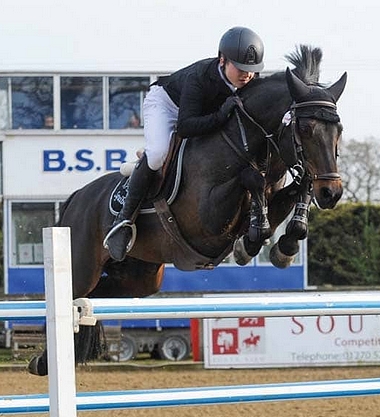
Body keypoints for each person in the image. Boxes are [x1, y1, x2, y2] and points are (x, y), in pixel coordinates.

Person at [104, 26, 264, 262]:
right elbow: (186, 126)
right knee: (159, 153)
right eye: (240, 69)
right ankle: (123, 221)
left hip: (201, 112)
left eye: (251, 70)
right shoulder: (199, 78)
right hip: (168, 106)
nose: (246, 76)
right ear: (223, 60)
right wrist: (221, 116)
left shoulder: (248, 81)